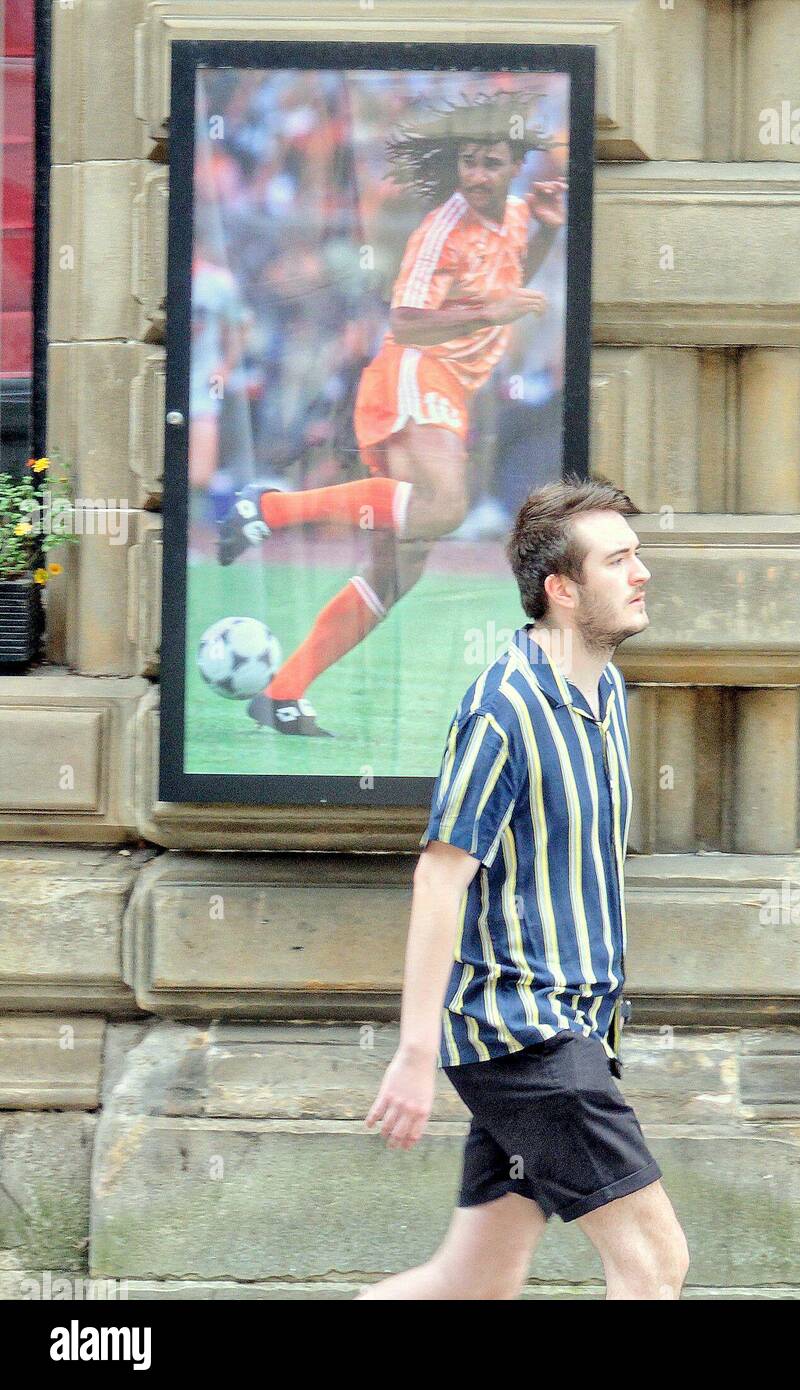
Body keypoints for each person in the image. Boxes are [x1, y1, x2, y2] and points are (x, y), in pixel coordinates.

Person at [357, 476, 690, 1301]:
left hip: (573, 1031)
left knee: (473, 1280)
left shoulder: (605, 691)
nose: (641, 572)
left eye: (637, 554)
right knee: (654, 1263)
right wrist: (413, 1050)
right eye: (618, 561)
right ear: (563, 589)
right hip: (526, 1038)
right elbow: (441, 877)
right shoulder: (501, 709)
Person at [216, 89, 566, 738]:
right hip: (413, 371)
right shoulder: (441, 230)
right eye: (469, 162)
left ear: (514, 163)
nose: (479, 174)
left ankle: (282, 693)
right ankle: (268, 509)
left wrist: (545, 231)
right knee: (443, 505)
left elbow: (510, 283)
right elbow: (406, 319)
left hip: (451, 388)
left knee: (398, 571)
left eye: (491, 162)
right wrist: (489, 313)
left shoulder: (516, 216)